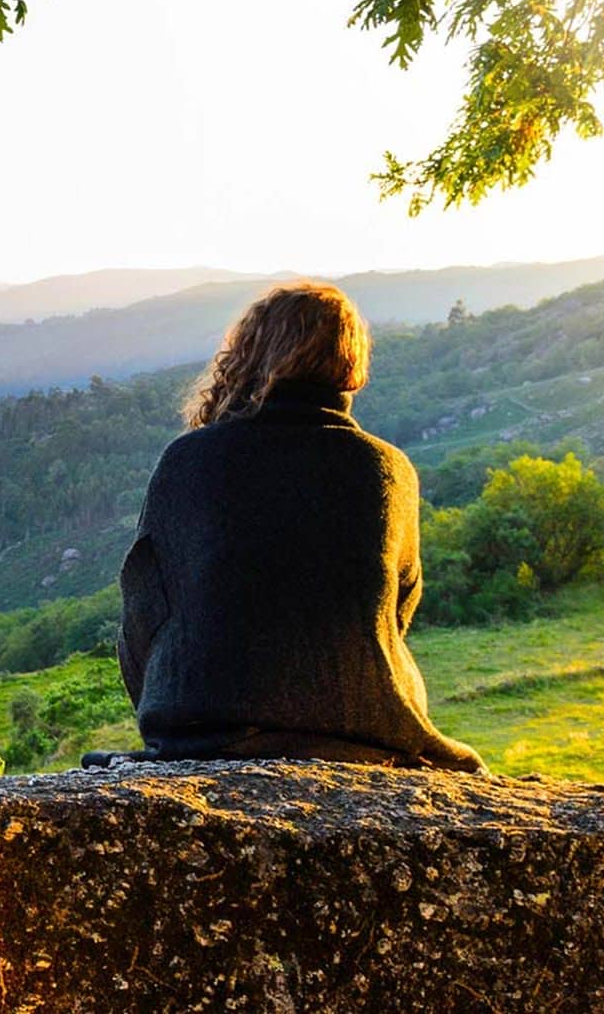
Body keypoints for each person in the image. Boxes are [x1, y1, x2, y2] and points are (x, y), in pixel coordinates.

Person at [87, 281, 485, 772]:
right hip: (367, 733)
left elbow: (144, 610)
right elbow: (396, 613)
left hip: (205, 732)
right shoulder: (390, 471)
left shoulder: (189, 461)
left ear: (248, 355)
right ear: (352, 372)